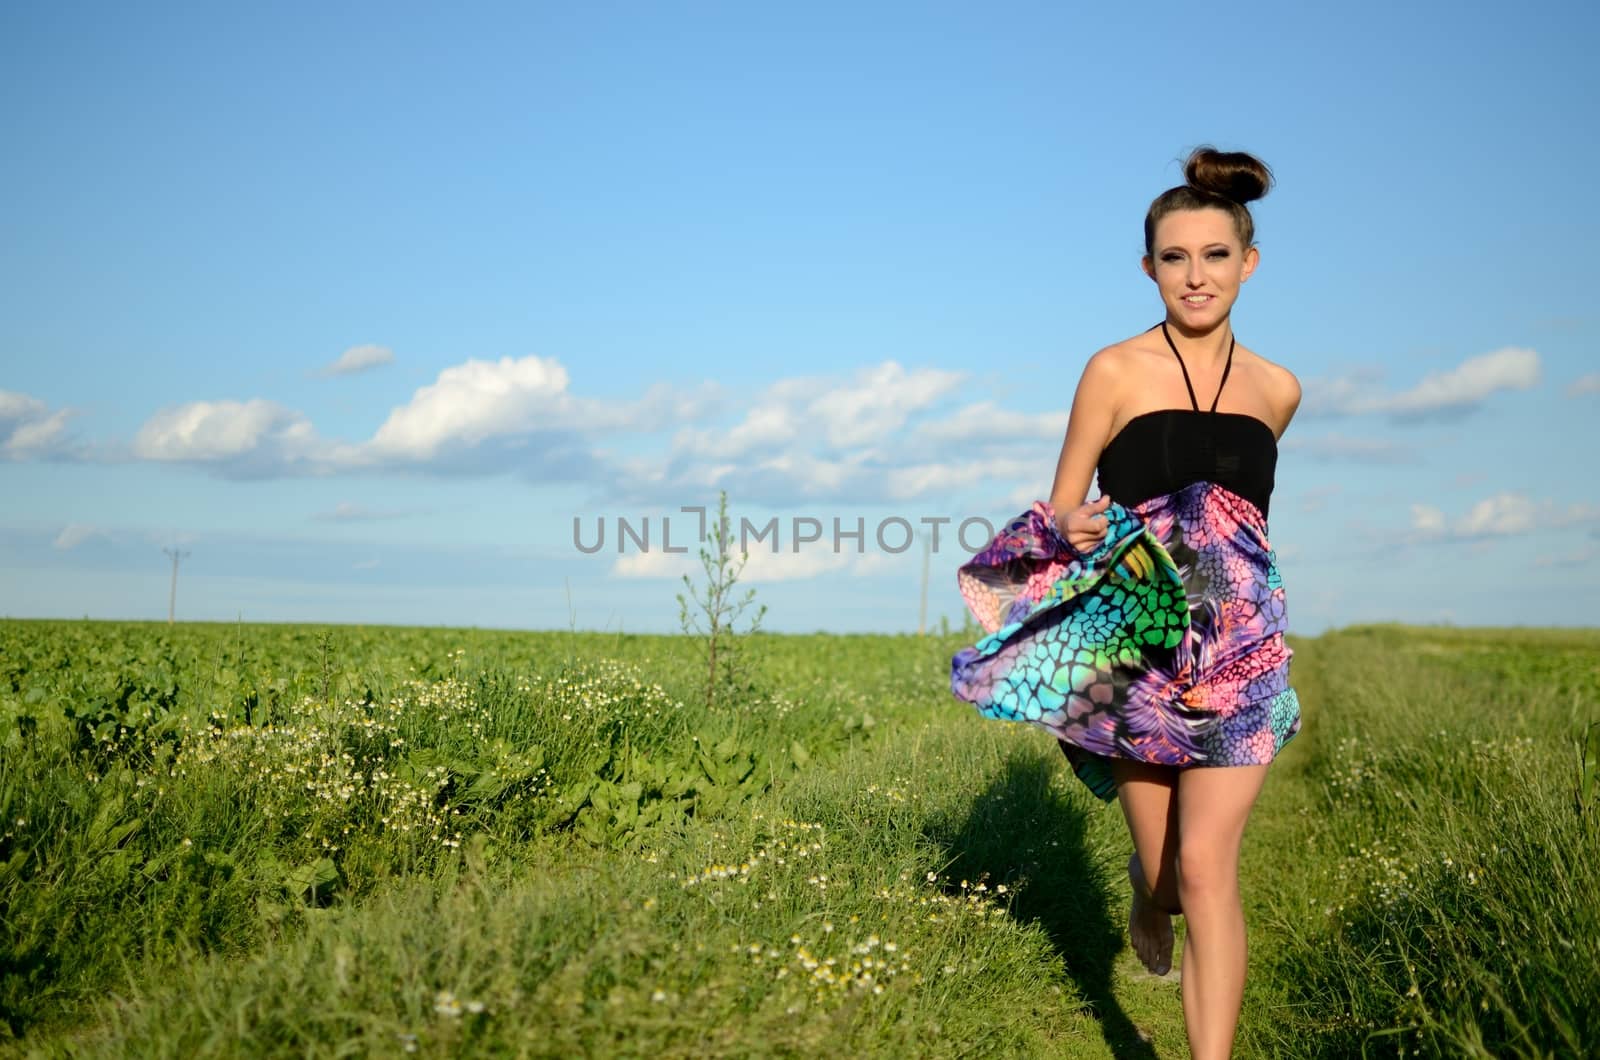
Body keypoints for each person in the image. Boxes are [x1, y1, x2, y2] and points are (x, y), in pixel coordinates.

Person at [949, 145, 1300, 1060]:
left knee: (1207, 865)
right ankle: (1147, 900)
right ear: (1149, 268)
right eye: (1175, 258)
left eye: (1215, 256)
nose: (1196, 276)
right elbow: (1062, 505)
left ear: (1247, 262)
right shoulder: (1112, 371)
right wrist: (1071, 527)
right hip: (1134, 647)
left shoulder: (1278, 390)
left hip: (1241, 651)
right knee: (1168, 875)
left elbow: (1244, 530)